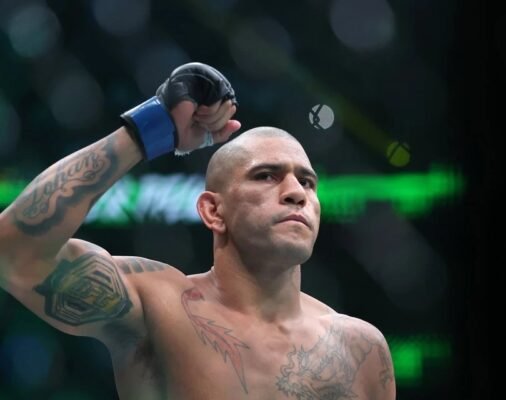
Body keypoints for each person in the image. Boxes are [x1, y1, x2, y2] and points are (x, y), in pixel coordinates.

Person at [0, 62, 396, 399]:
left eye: (307, 182)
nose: (296, 193)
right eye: (266, 175)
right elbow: (15, 252)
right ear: (213, 211)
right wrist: (148, 129)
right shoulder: (161, 307)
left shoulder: (360, 348)